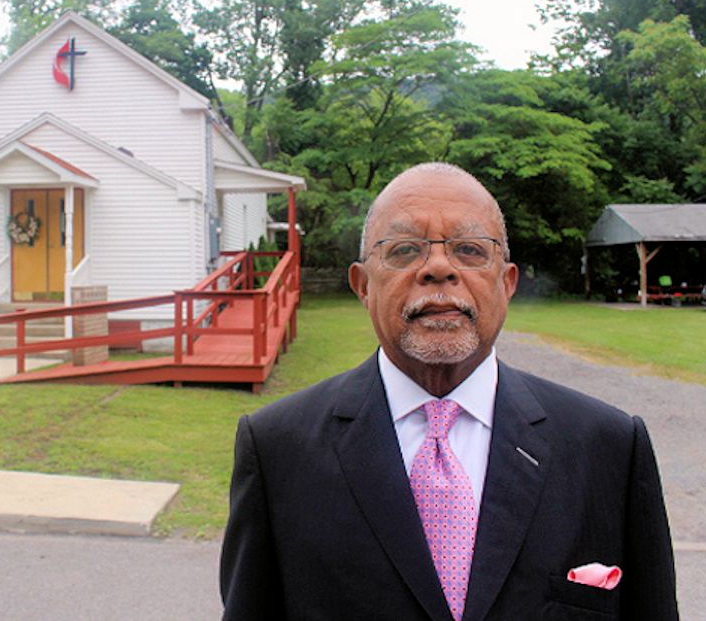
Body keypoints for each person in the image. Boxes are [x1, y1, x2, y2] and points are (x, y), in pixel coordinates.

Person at [219, 162, 678, 620]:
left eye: (470, 250)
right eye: (403, 250)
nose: (438, 267)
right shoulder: (278, 449)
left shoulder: (609, 447)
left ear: (508, 282)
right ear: (362, 285)